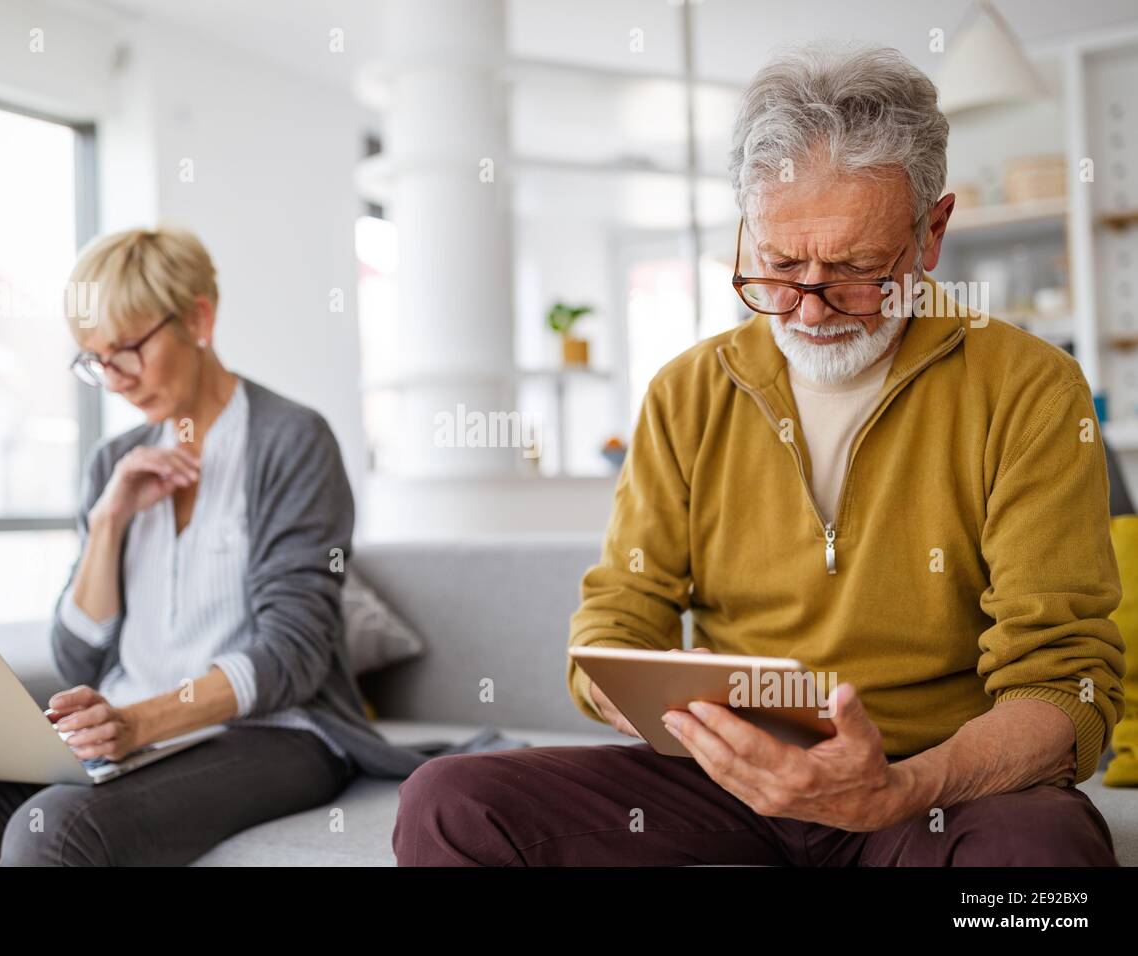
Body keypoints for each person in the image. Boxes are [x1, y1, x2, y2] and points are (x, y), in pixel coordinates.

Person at [392, 43, 1125, 866]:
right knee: (449, 802)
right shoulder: (687, 392)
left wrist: (897, 790)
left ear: (932, 233)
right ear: (747, 231)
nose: (808, 309)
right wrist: (652, 696)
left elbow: (1067, 681)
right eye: (778, 266)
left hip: (929, 785)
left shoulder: (1031, 388)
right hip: (725, 782)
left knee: (1043, 857)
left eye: (854, 271)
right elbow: (618, 615)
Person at [0, 226, 422, 866]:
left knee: (53, 831)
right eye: (95, 359)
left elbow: (294, 656)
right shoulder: (115, 462)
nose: (115, 381)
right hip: (125, 726)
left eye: (128, 350)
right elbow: (77, 658)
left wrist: (141, 722)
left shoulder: (293, 441)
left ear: (198, 319)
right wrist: (108, 522)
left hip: (274, 731)